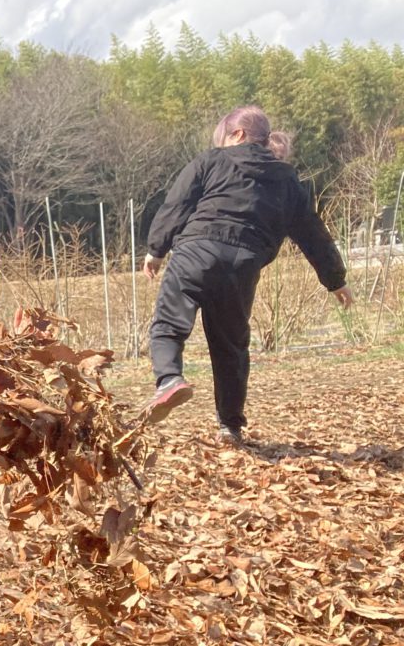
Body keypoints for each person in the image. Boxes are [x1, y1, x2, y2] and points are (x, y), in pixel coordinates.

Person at [142, 105, 352, 446]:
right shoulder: (286, 179)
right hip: (242, 265)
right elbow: (312, 232)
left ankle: (169, 380)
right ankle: (230, 426)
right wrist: (335, 280)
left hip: (196, 252)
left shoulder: (211, 161)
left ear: (237, 135)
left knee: (169, 324)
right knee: (231, 346)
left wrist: (156, 249)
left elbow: (176, 204)